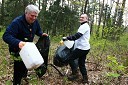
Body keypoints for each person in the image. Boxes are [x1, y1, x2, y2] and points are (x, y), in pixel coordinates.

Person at [2, 4, 48, 85]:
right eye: (32, 16)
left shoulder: (35, 21)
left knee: (28, 63)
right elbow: (6, 36)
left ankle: (24, 76)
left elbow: (38, 30)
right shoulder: (17, 22)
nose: (34, 18)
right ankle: (17, 82)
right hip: (16, 49)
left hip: (28, 48)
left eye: (36, 16)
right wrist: (18, 43)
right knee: (18, 67)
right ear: (26, 13)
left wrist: (41, 34)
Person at [62, 14, 90, 84]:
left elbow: (77, 36)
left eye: (83, 17)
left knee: (70, 58)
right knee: (81, 63)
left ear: (86, 19)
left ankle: (75, 74)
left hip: (82, 48)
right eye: (80, 17)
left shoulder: (84, 26)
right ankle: (85, 78)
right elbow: (79, 37)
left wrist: (67, 38)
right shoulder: (83, 26)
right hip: (85, 48)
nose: (81, 18)